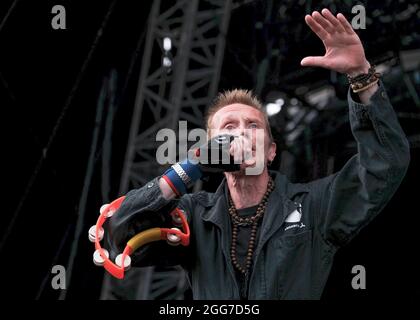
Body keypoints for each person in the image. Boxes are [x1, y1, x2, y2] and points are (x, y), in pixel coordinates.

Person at [107, 9, 410, 299]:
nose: (241, 132)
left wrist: (361, 74)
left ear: (271, 151)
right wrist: (188, 168)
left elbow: (385, 163)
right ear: (211, 148)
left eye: (253, 125)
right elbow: (120, 234)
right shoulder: (194, 215)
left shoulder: (314, 207)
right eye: (229, 126)